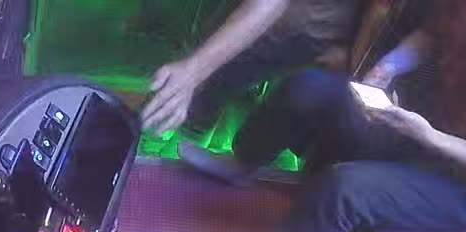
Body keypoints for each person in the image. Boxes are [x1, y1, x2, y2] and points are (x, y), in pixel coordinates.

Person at [177, 0, 466, 232]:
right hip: (425, 126)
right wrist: (387, 68)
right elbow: (431, 35)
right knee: (310, 87)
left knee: (344, 188)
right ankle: (241, 163)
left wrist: (430, 137)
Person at [141, 0, 363, 135]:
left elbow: (269, 4)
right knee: (208, 74)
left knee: (213, 84)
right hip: (285, 23)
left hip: (299, 33)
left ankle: (183, 146)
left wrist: (192, 72)